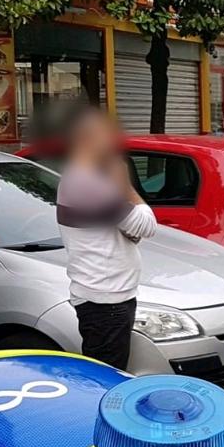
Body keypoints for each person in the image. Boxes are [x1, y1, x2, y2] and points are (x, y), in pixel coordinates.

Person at [55, 108, 157, 370]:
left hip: (106, 297)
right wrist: (124, 185)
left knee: (106, 371)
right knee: (107, 378)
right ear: (87, 138)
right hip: (105, 300)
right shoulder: (88, 183)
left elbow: (130, 231)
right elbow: (146, 226)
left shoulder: (80, 179)